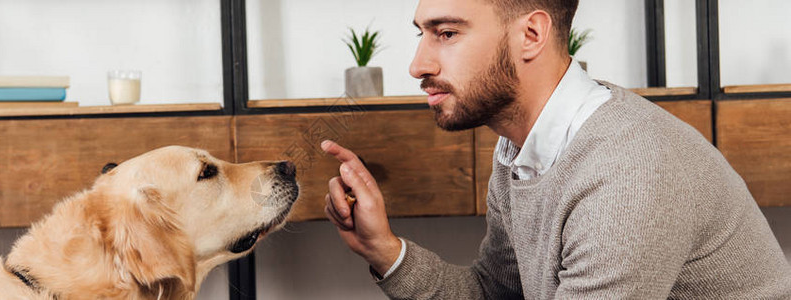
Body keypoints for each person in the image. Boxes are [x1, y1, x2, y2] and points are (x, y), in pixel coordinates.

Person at [320, 0, 791, 298]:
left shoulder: (629, 173)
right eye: (420, 33)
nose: (417, 64)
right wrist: (383, 249)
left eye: (447, 33)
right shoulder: (520, 149)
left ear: (531, 35)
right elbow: (495, 291)